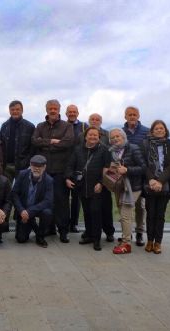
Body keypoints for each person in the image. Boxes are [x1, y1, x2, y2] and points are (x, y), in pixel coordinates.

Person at [32, 99, 74, 243]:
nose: (53, 110)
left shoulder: (67, 126)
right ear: (46, 109)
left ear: (59, 109)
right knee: (45, 201)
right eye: (50, 108)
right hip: (43, 171)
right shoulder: (40, 126)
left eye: (55, 108)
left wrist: (45, 143)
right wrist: (52, 141)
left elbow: (67, 143)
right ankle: (48, 229)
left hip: (60, 170)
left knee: (61, 202)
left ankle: (63, 231)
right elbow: (34, 141)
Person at [65, 127, 111, 251]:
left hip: (97, 187)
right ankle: (89, 235)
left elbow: (107, 169)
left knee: (96, 212)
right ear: (85, 136)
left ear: (99, 137)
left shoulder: (104, 150)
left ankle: (97, 239)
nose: (93, 137)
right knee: (87, 212)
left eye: (95, 135)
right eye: (90, 135)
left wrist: (101, 183)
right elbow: (70, 165)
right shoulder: (77, 150)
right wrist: (68, 178)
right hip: (81, 187)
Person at [108, 128, 146, 254]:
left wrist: (127, 170)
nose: (115, 139)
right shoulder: (112, 152)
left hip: (133, 187)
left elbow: (143, 168)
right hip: (119, 186)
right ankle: (126, 236)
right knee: (123, 214)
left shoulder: (133, 148)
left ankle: (126, 244)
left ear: (124, 137)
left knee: (125, 214)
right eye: (112, 137)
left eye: (117, 136)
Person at [141, 120, 170, 254]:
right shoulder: (145, 144)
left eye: (161, 128)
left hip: (164, 184)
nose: (159, 130)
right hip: (149, 183)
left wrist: (160, 181)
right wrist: (151, 180)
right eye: (156, 129)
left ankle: (158, 242)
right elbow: (143, 163)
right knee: (150, 214)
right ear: (152, 131)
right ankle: (149, 240)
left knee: (160, 215)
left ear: (165, 130)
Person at [11, 155, 53, 248]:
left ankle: (40, 236)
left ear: (44, 167)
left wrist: (29, 212)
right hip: (23, 209)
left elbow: (47, 201)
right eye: (34, 166)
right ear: (30, 165)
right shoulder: (22, 174)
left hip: (37, 209)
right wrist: (21, 210)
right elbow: (14, 194)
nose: (37, 169)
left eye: (40, 167)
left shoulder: (49, 180)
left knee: (47, 213)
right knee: (21, 239)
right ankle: (32, 223)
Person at [122, 106, 150, 246]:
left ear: (138, 116)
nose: (132, 117)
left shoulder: (146, 131)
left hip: (140, 173)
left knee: (140, 206)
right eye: (129, 114)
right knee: (124, 204)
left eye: (134, 114)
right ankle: (127, 233)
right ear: (125, 116)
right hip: (125, 175)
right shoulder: (121, 132)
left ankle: (139, 232)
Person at [88, 112, 114, 242]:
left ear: (101, 121)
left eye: (97, 119)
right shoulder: (83, 135)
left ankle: (109, 231)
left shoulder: (107, 135)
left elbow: (110, 152)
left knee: (106, 206)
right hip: (89, 177)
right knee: (92, 208)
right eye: (92, 119)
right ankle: (92, 232)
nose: (94, 121)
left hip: (104, 175)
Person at [0, 100, 35, 182]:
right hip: (6, 166)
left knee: (22, 192)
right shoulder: (4, 126)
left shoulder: (30, 127)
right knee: (6, 192)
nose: (15, 111)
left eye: (17, 109)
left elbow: (33, 147)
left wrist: (27, 162)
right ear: (9, 111)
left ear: (22, 110)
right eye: (12, 109)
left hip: (23, 167)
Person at [65, 104, 87, 233]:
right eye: (70, 112)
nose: (72, 114)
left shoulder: (84, 127)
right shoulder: (62, 125)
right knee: (63, 198)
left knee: (76, 198)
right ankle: (63, 223)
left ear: (78, 113)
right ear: (66, 113)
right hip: (64, 165)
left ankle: (73, 224)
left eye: (74, 112)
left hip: (78, 166)